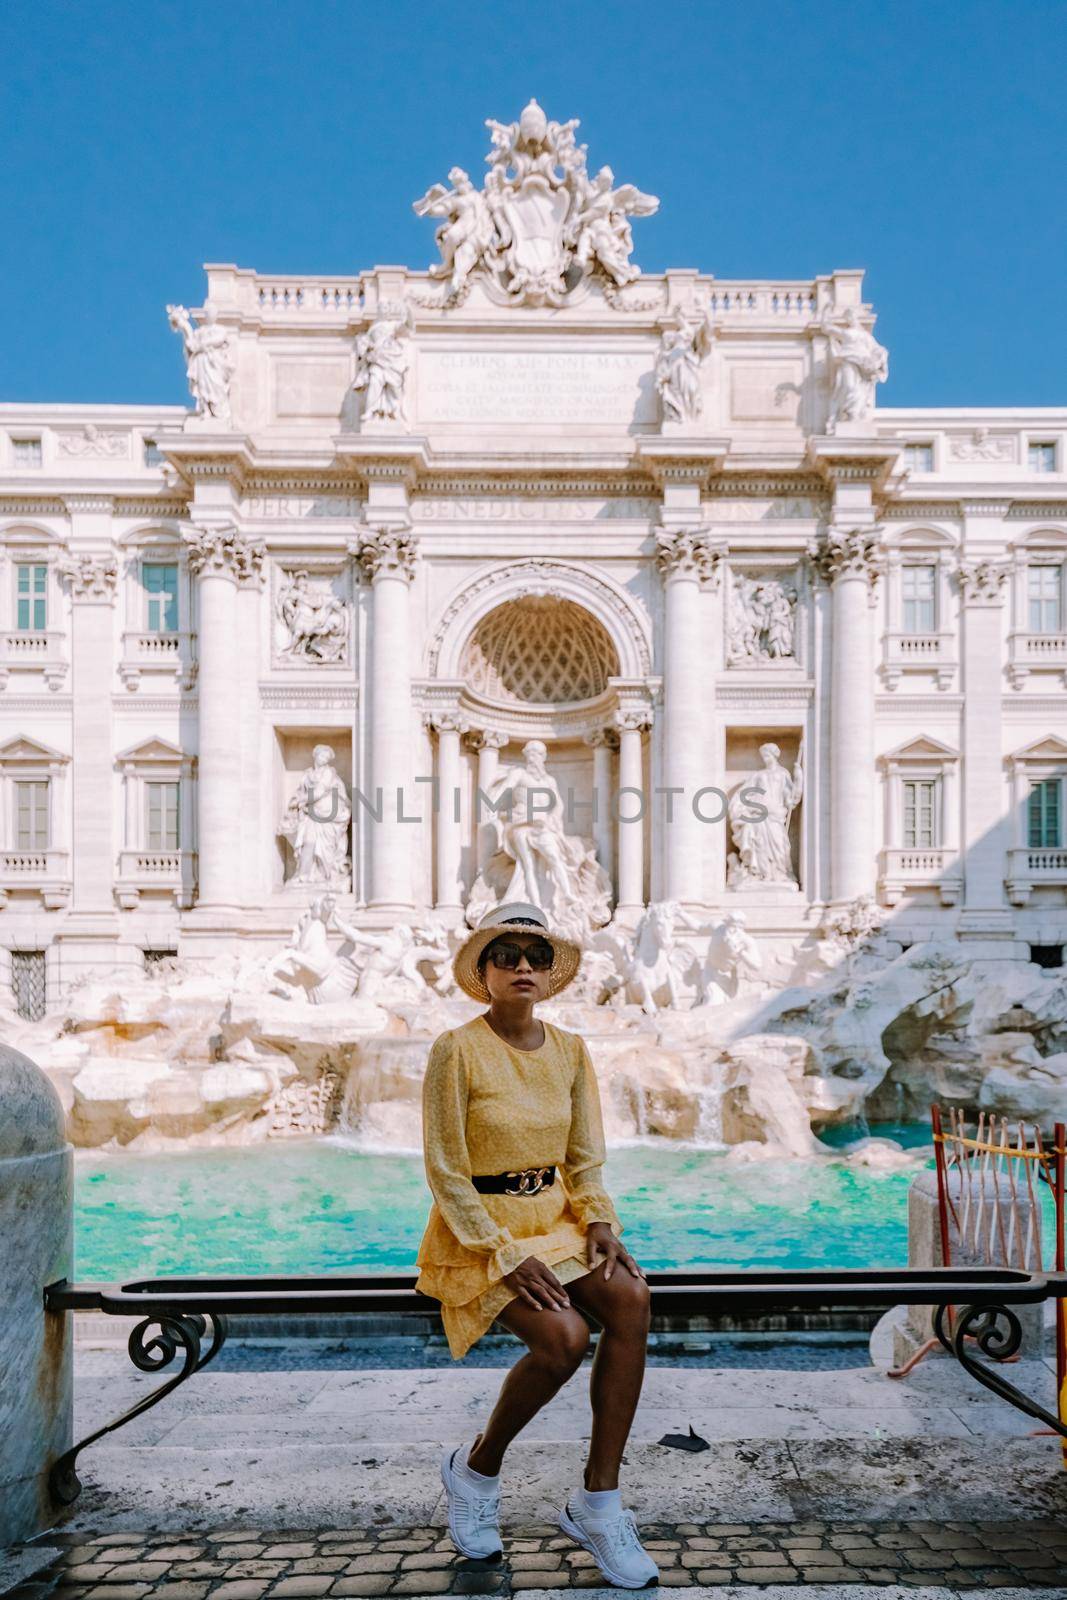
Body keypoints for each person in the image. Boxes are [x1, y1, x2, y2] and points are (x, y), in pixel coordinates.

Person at [415, 901, 657, 1588]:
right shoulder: (455, 1049)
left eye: (537, 957)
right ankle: (476, 1469)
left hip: (555, 1223)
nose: (523, 967)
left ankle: (598, 1502)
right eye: (507, 956)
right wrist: (500, 1251)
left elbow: (583, 1159)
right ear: (483, 971)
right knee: (563, 1339)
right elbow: (443, 1167)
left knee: (633, 1299)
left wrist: (600, 1220)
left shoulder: (572, 1049)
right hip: (477, 1232)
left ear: (551, 975)